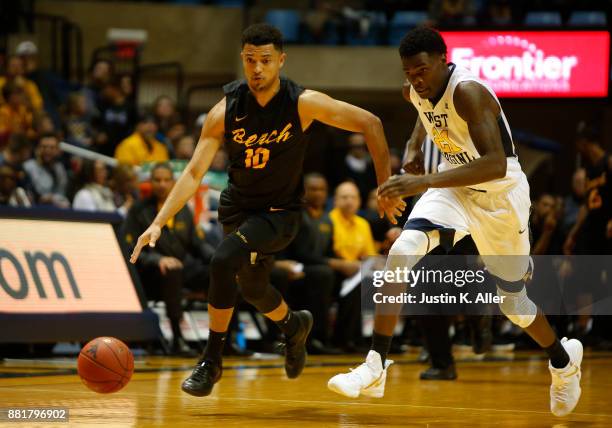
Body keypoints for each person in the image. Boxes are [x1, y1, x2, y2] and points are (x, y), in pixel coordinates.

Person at [129, 23, 404, 397]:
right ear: (242, 59)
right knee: (253, 288)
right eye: (249, 60)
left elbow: (371, 124)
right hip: (238, 209)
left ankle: (211, 360)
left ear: (280, 61)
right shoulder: (224, 110)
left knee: (222, 261)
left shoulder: (301, 102)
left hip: (279, 213)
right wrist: (159, 222)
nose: (257, 68)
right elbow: (194, 171)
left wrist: (385, 187)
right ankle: (293, 327)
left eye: (265, 60)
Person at [328, 27, 582, 417]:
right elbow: (422, 118)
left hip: (501, 197)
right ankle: (375, 365)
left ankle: (563, 362)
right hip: (453, 189)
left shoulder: (468, 92)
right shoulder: (416, 90)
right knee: (401, 253)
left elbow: (496, 165)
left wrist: (423, 179)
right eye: (409, 73)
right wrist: (414, 151)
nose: (416, 80)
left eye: (422, 71)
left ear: (443, 62)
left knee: (513, 303)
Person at [123, 162, 212, 356]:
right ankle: (177, 339)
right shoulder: (138, 210)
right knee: (172, 270)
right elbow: (130, 248)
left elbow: (197, 244)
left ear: (173, 182)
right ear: (150, 182)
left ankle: (225, 342)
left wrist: (220, 259)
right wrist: (157, 260)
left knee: (223, 273)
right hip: (152, 274)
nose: (162, 184)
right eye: (157, 180)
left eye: (166, 180)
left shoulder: (182, 209)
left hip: (183, 269)